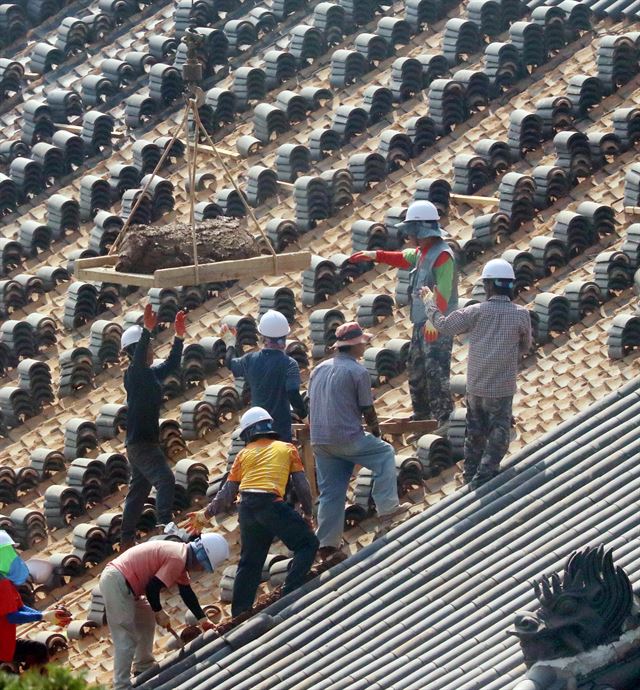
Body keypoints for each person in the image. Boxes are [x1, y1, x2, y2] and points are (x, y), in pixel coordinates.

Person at [187, 407, 318, 617]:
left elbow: (228, 492)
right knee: (308, 544)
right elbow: (302, 486)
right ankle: (289, 592)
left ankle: (240, 613)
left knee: (250, 562)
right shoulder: (287, 449)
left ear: (248, 433)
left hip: (246, 508)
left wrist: (206, 514)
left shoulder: (243, 455)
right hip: (271, 504)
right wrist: (308, 515)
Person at [421, 258, 532, 488]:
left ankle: (470, 477)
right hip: (501, 387)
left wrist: (429, 302)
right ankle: (485, 474)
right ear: (511, 286)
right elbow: (525, 346)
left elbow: (444, 325)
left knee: (475, 433)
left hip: (476, 385)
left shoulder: (475, 311)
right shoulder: (521, 314)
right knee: (499, 430)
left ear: (488, 286)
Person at [349, 200, 458, 427]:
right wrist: (374, 255)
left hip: (437, 325)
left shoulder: (443, 256)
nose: (408, 236)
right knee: (416, 371)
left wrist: (433, 320)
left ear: (421, 230)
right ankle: (422, 417)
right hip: (421, 324)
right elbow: (402, 257)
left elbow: (444, 292)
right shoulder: (422, 253)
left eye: (411, 231)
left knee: (436, 373)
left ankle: (444, 419)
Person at [308, 322, 408, 560]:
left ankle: (327, 544)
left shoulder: (318, 369)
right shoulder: (358, 371)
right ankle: (387, 510)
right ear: (355, 346)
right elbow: (367, 409)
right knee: (384, 453)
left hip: (320, 441)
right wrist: (376, 433)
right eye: (363, 343)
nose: (365, 347)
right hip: (347, 437)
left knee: (331, 492)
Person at [99, 533, 229, 690]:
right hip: (117, 581)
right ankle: (122, 686)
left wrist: (203, 620)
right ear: (200, 557)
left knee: (146, 620)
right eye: (203, 565)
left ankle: (143, 667)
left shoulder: (181, 556)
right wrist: (159, 611)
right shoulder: (177, 558)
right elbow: (152, 588)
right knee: (126, 637)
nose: (200, 569)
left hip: (127, 583)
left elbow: (186, 592)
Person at [119, 303, 186, 551]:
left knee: (139, 490)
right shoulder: (135, 374)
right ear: (139, 349)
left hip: (142, 443)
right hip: (142, 444)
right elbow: (138, 362)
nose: (152, 350)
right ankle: (165, 525)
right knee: (165, 479)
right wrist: (146, 330)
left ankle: (126, 537)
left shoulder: (150, 374)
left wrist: (179, 336)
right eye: (148, 346)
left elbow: (172, 364)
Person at [222, 310, 307, 442]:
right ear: (285, 338)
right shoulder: (290, 364)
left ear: (263, 337)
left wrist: (230, 342)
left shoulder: (250, 359)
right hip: (280, 431)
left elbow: (230, 363)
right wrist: (305, 417)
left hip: (256, 430)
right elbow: (292, 391)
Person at [0, 531, 72, 672]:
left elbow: (18, 608)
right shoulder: (2, 584)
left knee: (37, 651)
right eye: (10, 551)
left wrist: (45, 615)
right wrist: (42, 616)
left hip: (4, 644)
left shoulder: (5, 581)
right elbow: (12, 616)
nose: (15, 555)